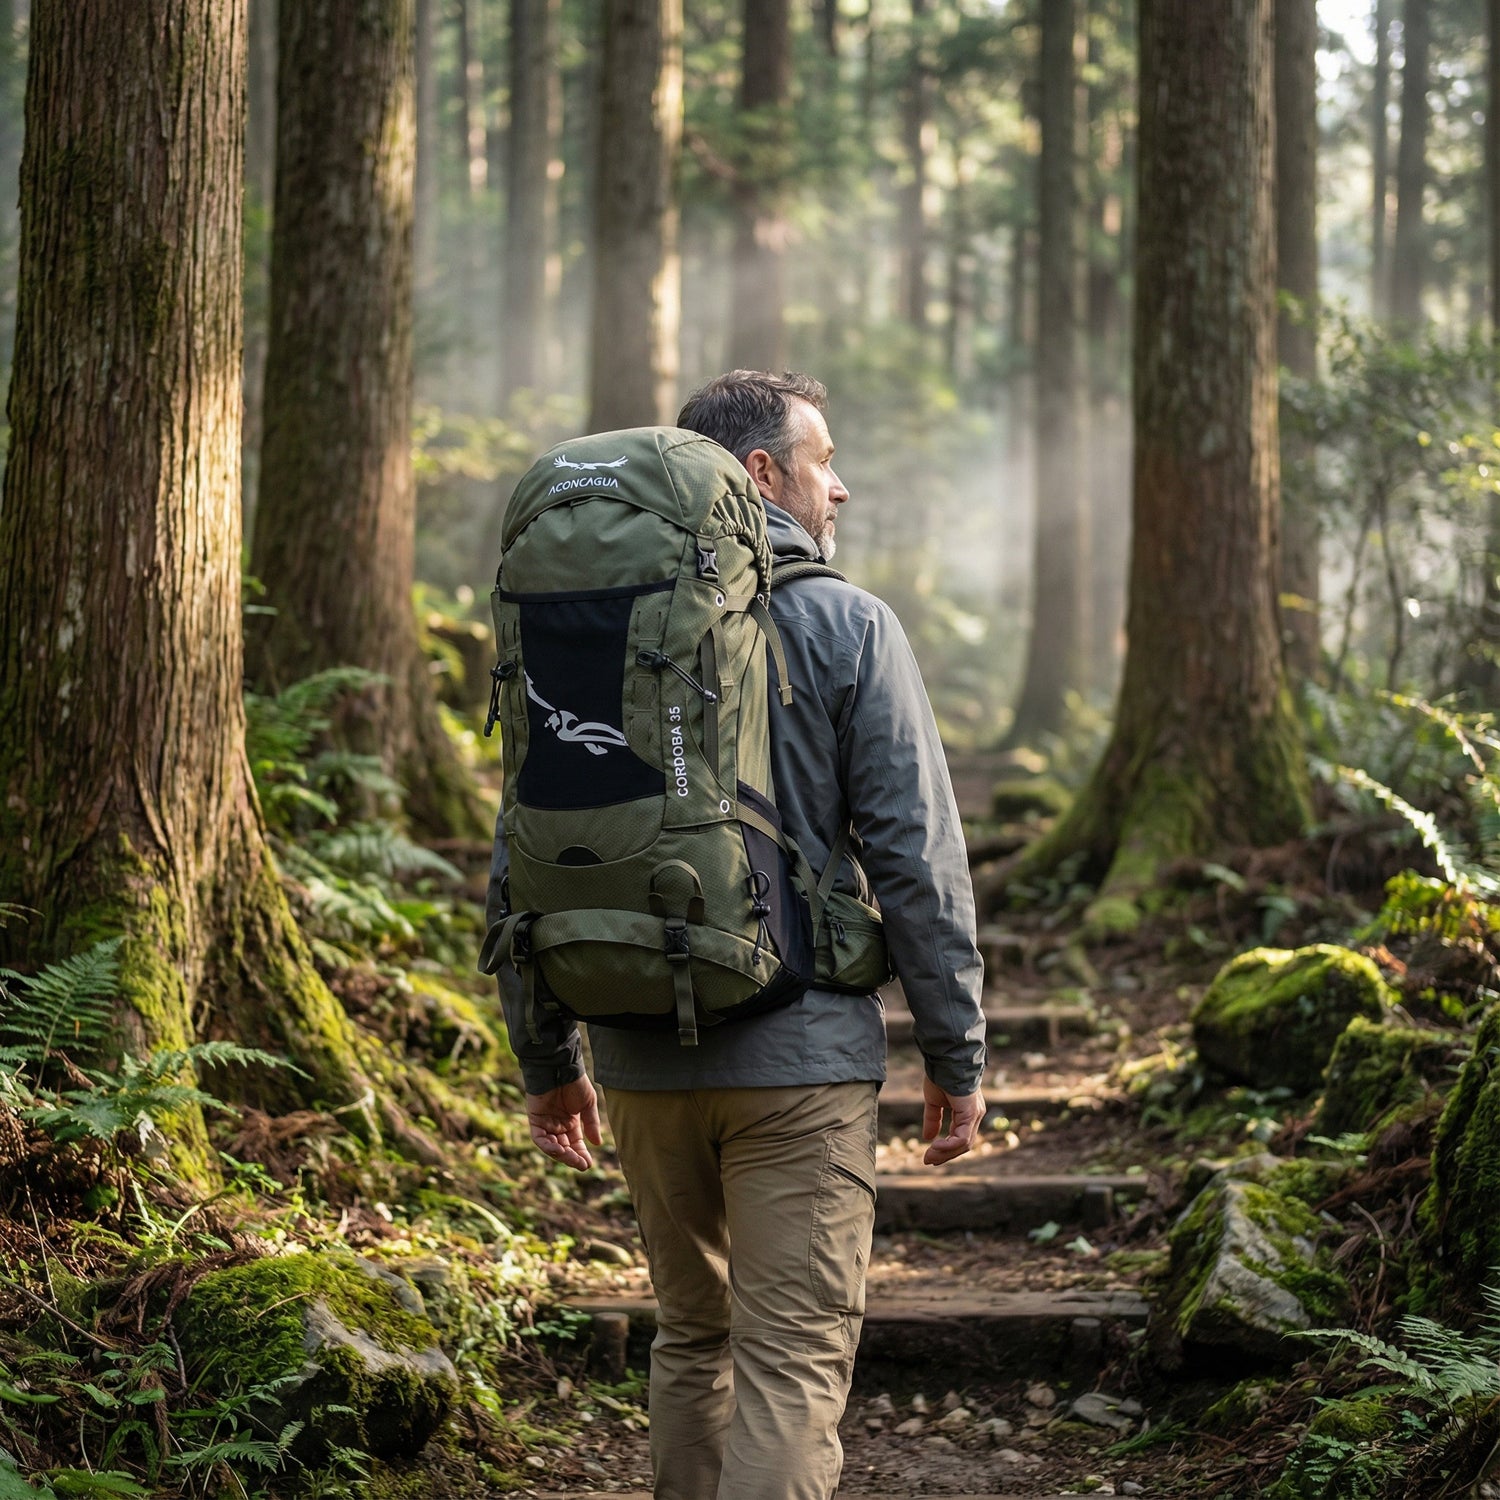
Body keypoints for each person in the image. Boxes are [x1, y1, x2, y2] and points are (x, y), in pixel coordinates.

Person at [488, 370, 986, 1500]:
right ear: (759, 472)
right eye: (823, 462)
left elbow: (525, 833)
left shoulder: (592, 622)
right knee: (792, 1356)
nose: (840, 488)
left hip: (639, 1056)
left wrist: (546, 1054)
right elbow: (916, 861)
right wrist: (953, 1055)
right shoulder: (848, 622)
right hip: (799, 1064)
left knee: (693, 1338)